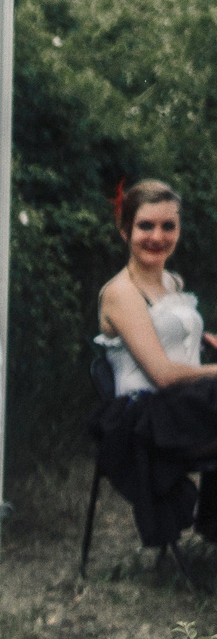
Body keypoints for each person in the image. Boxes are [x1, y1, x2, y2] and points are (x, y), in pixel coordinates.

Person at [92, 182, 217, 546]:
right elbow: (162, 374)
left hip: (185, 405)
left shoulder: (171, 282)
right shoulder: (121, 293)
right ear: (125, 230)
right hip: (147, 416)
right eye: (146, 226)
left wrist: (206, 337)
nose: (158, 237)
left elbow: (170, 332)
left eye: (168, 226)